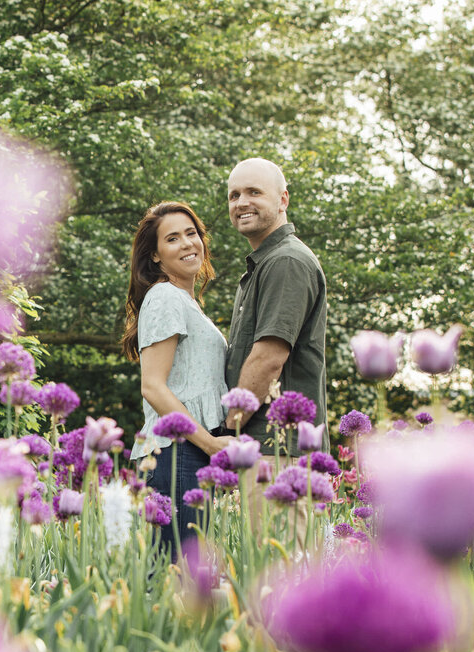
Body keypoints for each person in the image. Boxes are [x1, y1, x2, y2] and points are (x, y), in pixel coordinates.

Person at [122, 202, 231, 550]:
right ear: (155, 255)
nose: (187, 243)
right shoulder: (165, 297)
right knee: (174, 580)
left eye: (191, 233)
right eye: (173, 238)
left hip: (186, 452)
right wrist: (211, 444)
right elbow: (153, 387)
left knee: (179, 580)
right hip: (176, 451)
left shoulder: (185, 301)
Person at [223, 158, 327, 456]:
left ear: (283, 200)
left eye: (254, 192)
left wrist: (232, 428)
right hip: (264, 445)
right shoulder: (266, 263)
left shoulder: (286, 262)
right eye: (234, 195)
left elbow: (268, 358)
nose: (242, 203)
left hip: (277, 447)